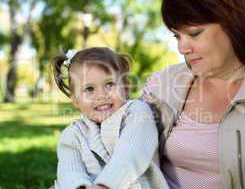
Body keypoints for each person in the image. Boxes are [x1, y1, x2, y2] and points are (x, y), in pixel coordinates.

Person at [141, 0, 245, 188]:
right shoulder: (162, 84)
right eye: (177, 36)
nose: (182, 48)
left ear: (234, 23)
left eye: (194, 33)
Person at [51, 47, 169, 189]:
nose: (101, 95)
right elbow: (69, 171)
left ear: (125, 89)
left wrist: (104, 186)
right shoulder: (73, 134)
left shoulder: (137, 114)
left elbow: (129, 156)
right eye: (89, 89)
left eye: (109, 84)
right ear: (75, 100)